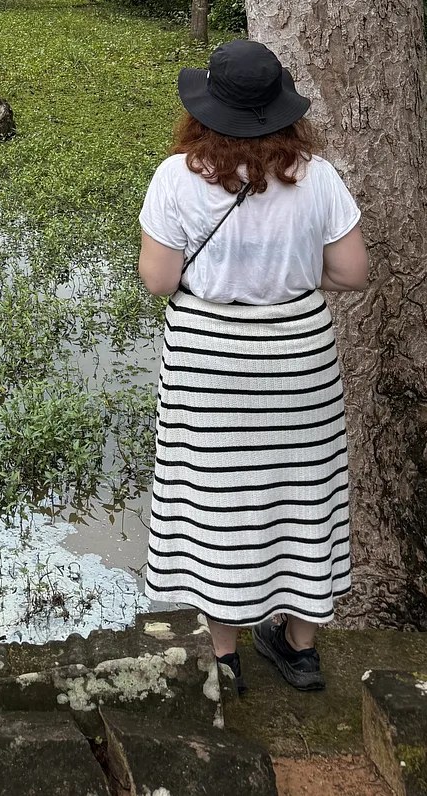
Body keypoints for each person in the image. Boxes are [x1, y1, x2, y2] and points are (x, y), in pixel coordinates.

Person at [137, 39, 368, 694]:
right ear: (281, 109)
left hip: (208, 363)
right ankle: (299, 649)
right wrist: (291, 279)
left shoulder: (175, 177)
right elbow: (352, 271)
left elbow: (159, 280)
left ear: (204, 110)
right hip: (299, 360)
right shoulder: (317, 176)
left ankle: (225, 657)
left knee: (219, 500)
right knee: (304, 490)